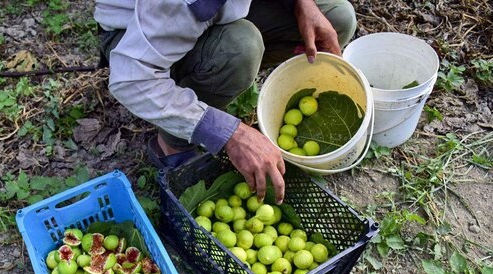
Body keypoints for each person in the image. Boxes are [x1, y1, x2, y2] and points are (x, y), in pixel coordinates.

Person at [94, 0, 356, 204]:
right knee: (239, 49)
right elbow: (131, 79)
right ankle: (172, 144)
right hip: (139, 37)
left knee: (337, 17)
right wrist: (230, 134)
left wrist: (302, 5)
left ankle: (222, 82)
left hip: (207, 14)